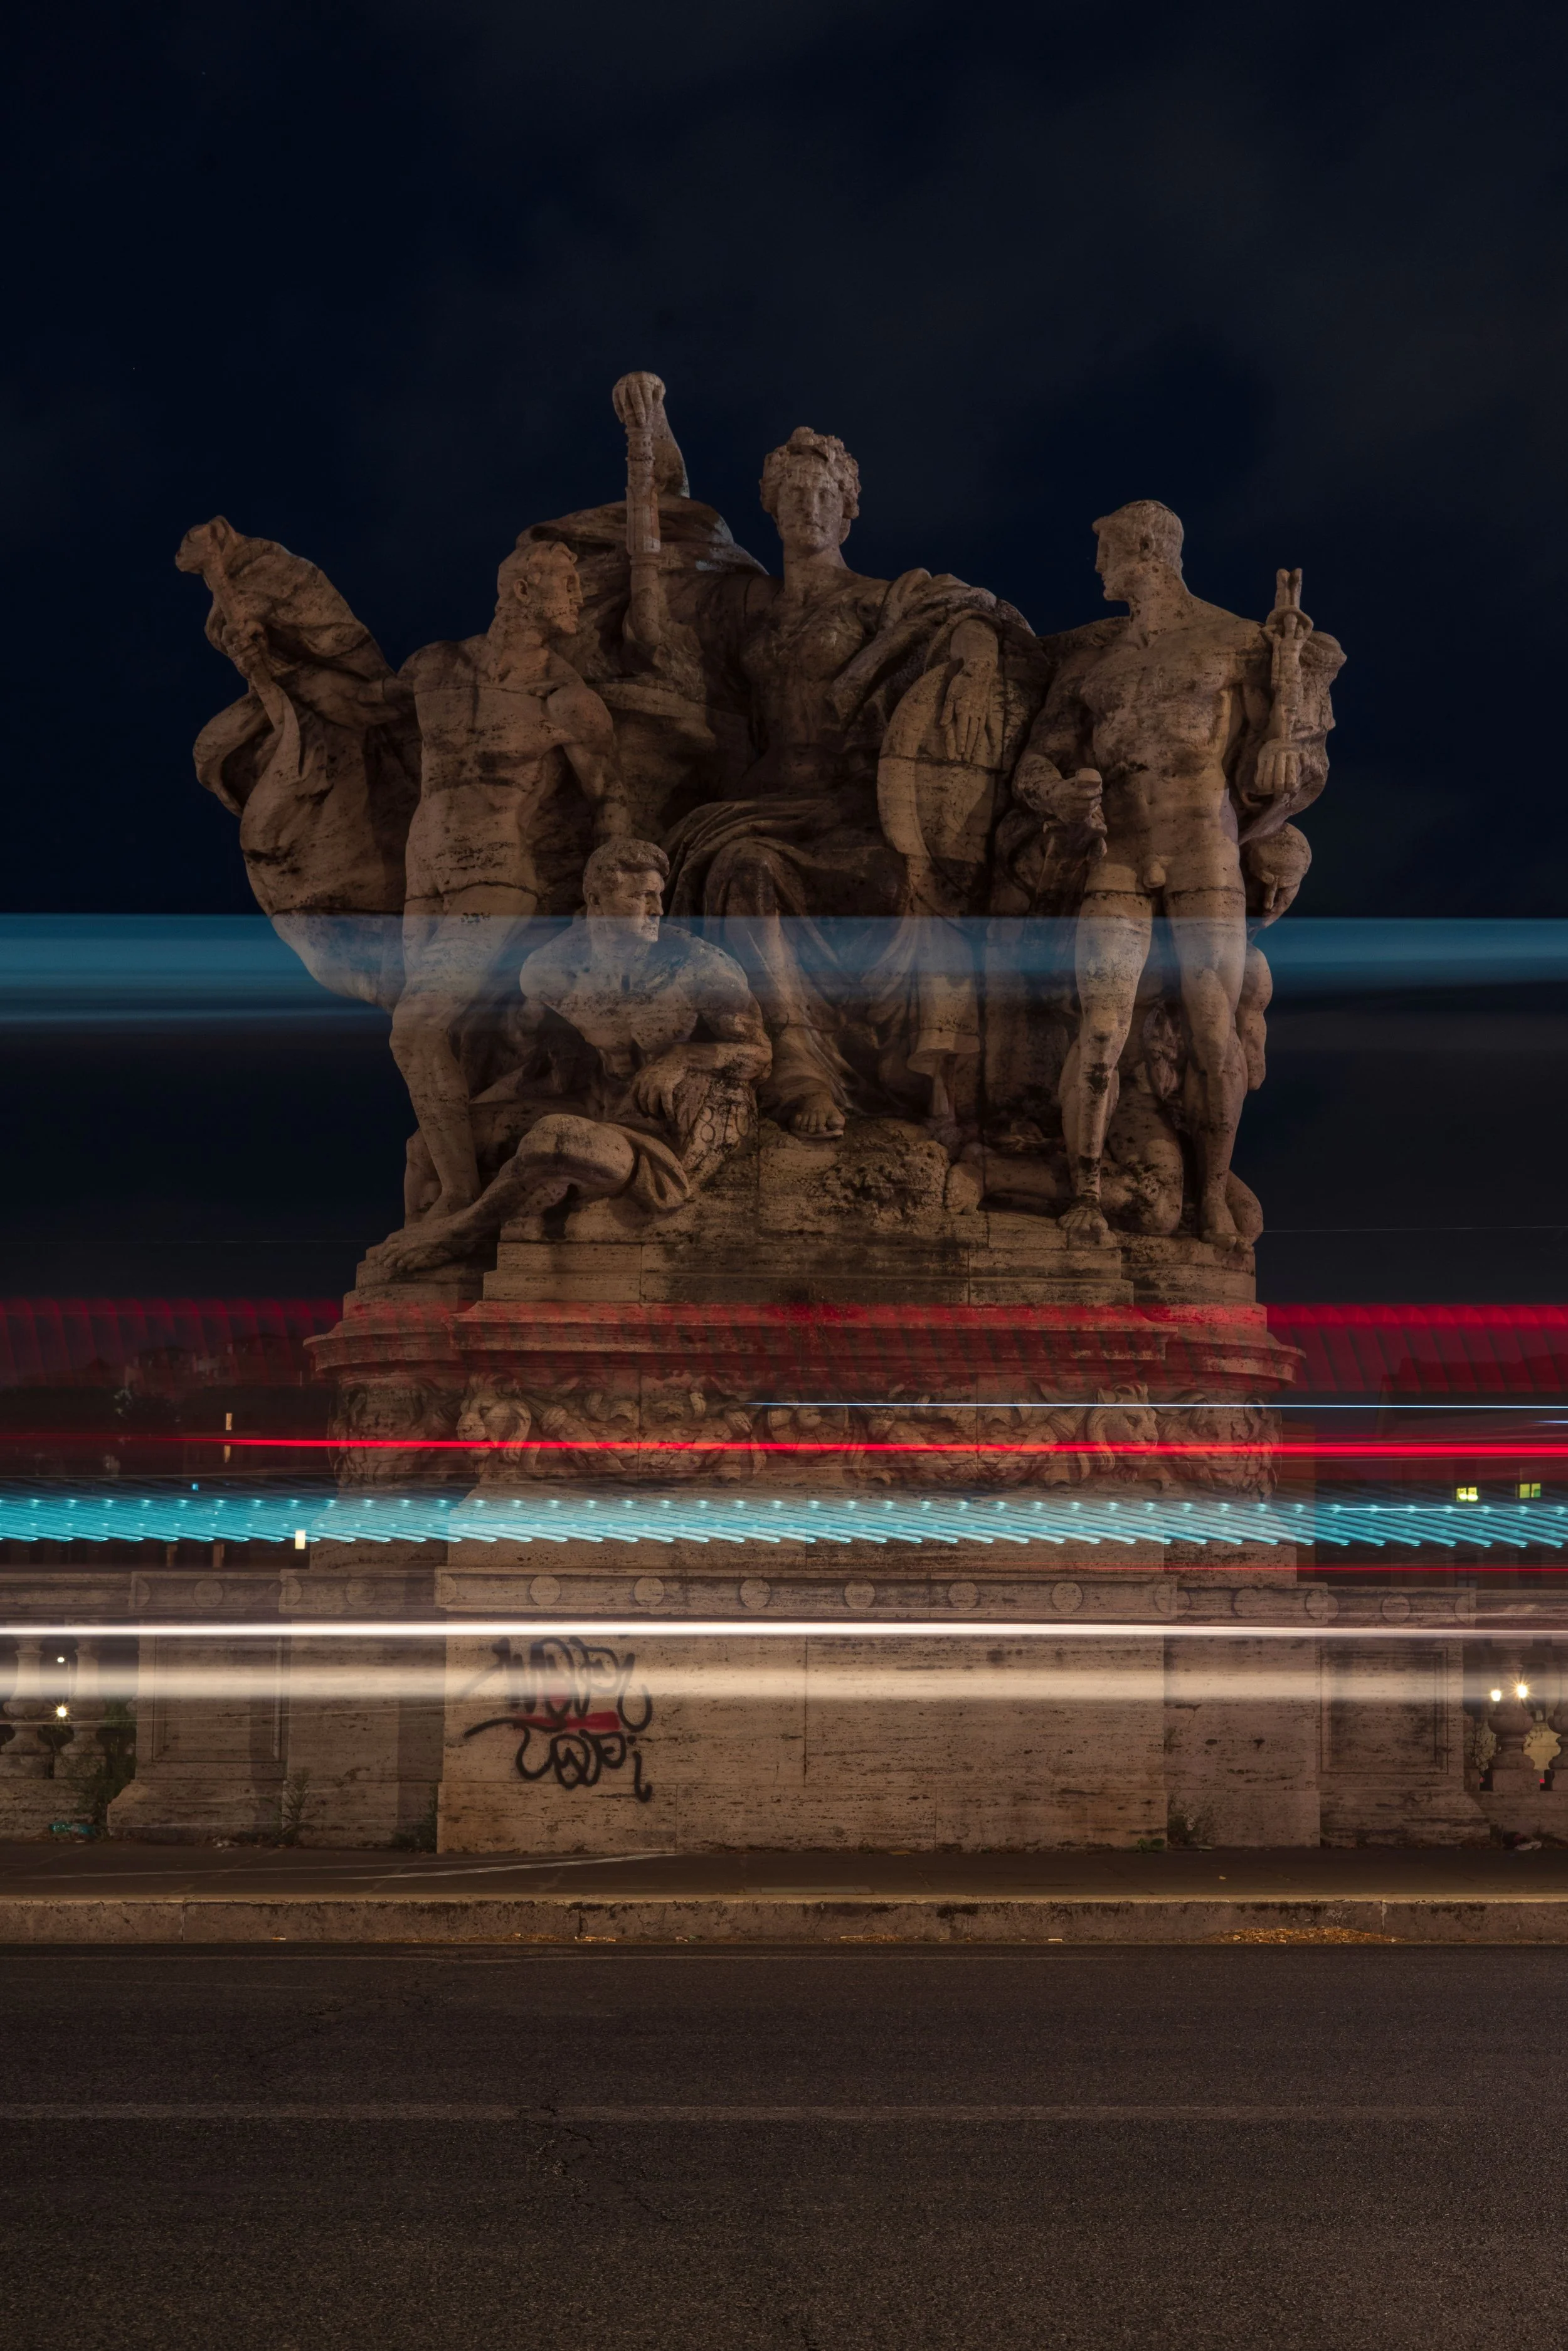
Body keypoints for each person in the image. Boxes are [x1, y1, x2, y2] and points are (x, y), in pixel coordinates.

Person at [662, 427, 1037, 1138]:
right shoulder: (748, 606)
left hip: (859, 806)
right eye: (793, 494)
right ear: (770, 508)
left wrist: (973, 644)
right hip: (766, 807)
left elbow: (975, 613)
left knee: (898, 882)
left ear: (848, 510)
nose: (810, 507)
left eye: (825, 494)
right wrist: (649, 438)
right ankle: (793, 1056)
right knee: (745, 867)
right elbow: (662, 609)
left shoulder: (884, 601)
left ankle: (919, 1071)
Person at [1031, 502, 1342, 1244]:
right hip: (1119, 856)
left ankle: (1209, 1196)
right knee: (1100, 1031)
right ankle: (1085, 1191)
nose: (1097, 567)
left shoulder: (1237, 642)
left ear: (1143, 550)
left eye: (1104, 550)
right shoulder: (1092, 664)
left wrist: (1285, 753)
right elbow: (1035, 763)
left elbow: (1295, 760)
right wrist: (1055, 792)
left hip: (1206, 854)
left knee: (1212, 1036)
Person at [364, 839, 770, 1278]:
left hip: (676, 1124)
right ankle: (424, 1278)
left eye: (658, 896)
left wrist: (682, 1058)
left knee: (554, 1139)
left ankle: (459, 1234)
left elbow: (760, 1055)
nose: (656, 910)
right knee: (426, 1147)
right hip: (600, 1108)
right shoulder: (551, 971)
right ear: (595, 899)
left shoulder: (700, 966)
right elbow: (532, 1055)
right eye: (641, 897)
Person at [389, 540, 629, 1218]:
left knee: (415, 1029)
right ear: (521, 592)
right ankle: (441, 1177)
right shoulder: (435, 666)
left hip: (495, 879)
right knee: (451, 1048)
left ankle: (461, 1199)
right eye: (567, 581)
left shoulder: (566, 698)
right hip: (422, 878)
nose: (579, 596)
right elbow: (356, 708)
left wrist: (606, 904)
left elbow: (611, 799)